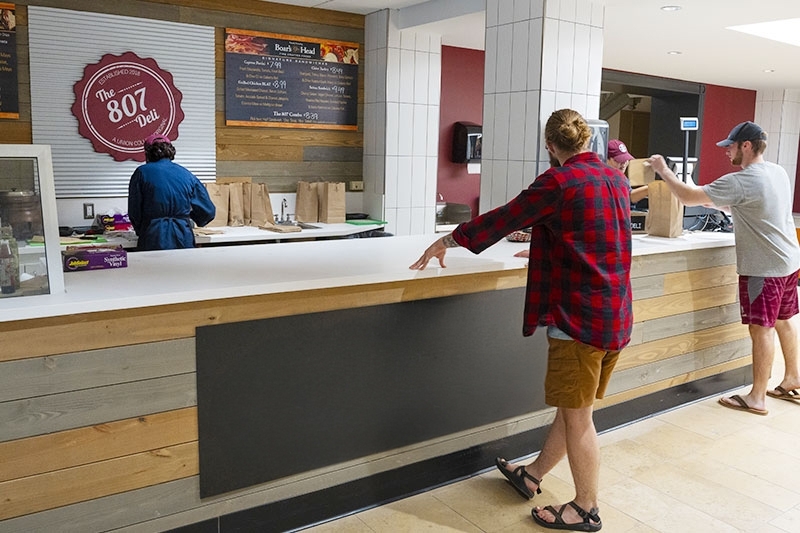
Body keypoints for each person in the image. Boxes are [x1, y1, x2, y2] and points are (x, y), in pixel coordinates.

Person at [410, 109, 633, 532]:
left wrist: (447, 239)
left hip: (578, 321)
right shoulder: (614, 178)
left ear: (551, 146)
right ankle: (531, 476)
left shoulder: (558, 182)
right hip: (615, 315)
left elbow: (503, 219)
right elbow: (601, 235)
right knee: (573, 408)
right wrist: (551, 245)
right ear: (587, 141)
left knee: (578, 416)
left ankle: (586, 508)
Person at [647, 120, 800, 416]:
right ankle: (793, 377)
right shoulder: (777, 172)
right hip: (789, 261)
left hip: (764, 268)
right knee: (783, 319)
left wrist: (663, 170)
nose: (726, 152)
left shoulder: (740, 180)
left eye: (730, 146)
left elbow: (689, 197)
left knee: (761, 328)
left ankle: (757, 397)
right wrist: (720, 203)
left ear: (746, 146)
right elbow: (757, 207)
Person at [127, 133, 216, 251]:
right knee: (182, 268)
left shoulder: (142, 173)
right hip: (183, 235)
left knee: (154, 269)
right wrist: (187, 216)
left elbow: (134, 211)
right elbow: (208, 211)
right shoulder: (186, 174)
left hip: (153, 235)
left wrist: (141, 229)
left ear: (147, 153)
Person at [607, 139, 648, 205]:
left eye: (626, 160)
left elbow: (629, 196)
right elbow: (628, 198)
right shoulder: (603, 180)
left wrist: (649, 188)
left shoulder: (622, 178)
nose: (623, 164)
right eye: (619, 160)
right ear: (606, 160)